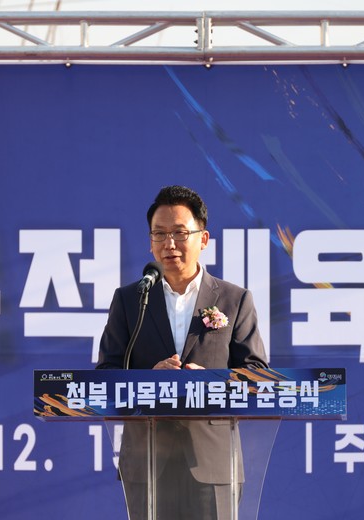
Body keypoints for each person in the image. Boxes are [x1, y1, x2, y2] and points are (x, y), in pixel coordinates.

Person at [97, 185, 269, 520]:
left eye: (179, 233)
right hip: (147, 461)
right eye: (159, 234)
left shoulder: (234, 300)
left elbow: (257, 375)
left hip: (213, 461)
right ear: (150, 242)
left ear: (203, 239)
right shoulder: (130, 300)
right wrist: (149, 380)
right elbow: (105, 374)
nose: (169, 244)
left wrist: (213, 382)